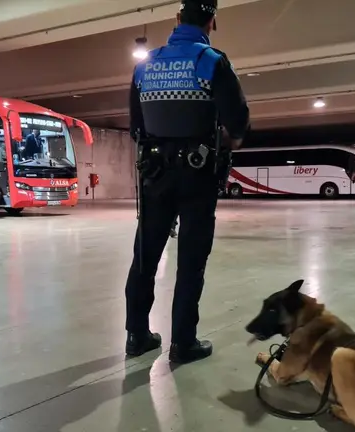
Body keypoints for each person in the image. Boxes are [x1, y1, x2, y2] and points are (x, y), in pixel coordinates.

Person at [124, 0, 249, 364]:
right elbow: (238, 122)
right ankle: (183, 343)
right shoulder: (212, 62)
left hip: (154, 175)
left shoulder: (144, 65)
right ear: (212, 22)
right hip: (198, 177)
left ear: (177, 19)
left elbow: (135, 126)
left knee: (145, 258)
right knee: (191, 262)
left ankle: (136, 335)